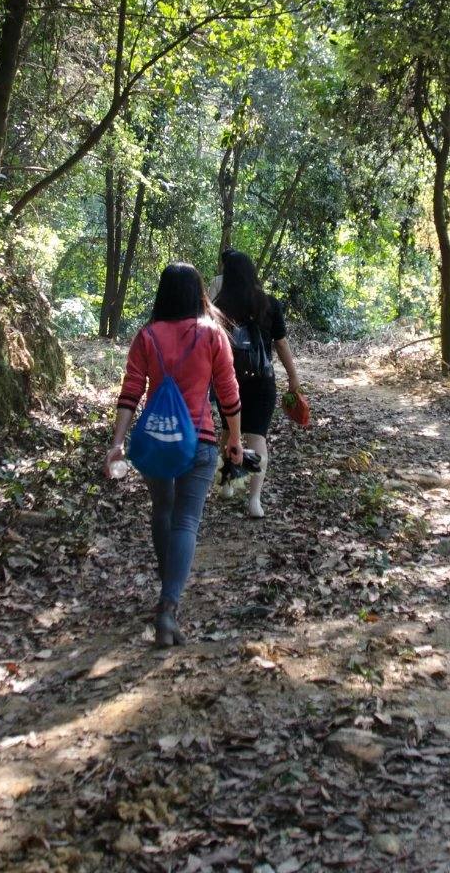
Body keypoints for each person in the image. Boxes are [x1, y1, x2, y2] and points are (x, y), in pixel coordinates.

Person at [105, 263, 244, 646]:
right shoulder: (213, 335)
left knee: (162, 512)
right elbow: (229, 394)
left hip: (156, 441)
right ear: (198, 293)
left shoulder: (146, 336)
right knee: (186, 522)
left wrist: (118, 442)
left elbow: (130, 393)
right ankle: (168, 606)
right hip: (199, 441)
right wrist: (235, 439)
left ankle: (168, 593)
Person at [211, 250, 302, 518]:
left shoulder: (219, 306)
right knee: (256, 437)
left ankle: (228, 483)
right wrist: (293, 377)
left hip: (228, 381)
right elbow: (281, 343)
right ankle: (254, 500)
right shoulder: (269, 304)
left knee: (229, 432)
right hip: (262, 380)